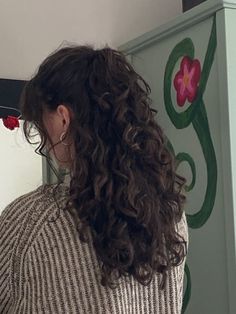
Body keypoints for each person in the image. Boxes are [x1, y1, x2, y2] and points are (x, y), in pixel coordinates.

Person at [0, 44, 189, 314]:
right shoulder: (170, 214)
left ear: (63, 119)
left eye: (42, 121)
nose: (43, 134)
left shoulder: (32, 221)